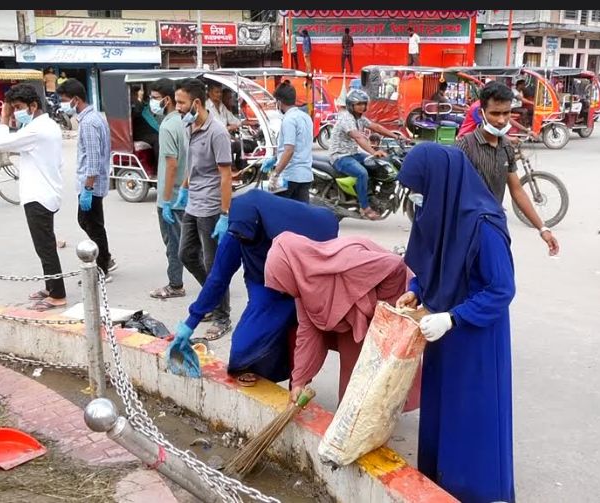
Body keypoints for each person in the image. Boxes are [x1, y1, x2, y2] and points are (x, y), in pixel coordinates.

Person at [395, 142, 516, 503]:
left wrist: (453, 318)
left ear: (440, 184)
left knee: (471, 416)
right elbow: (432, 261)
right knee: (441, 411)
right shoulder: (439, 215)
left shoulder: (484, 224)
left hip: (475, 337)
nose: (418, 200)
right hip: (441, 332)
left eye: (421, 191)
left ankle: (477, 492)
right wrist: (417, 290)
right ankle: (440, 486)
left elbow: (501, 289)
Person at [169, 190, 339, 384]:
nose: (243, 239)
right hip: (264, 285)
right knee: (243, 352)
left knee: (301, 336)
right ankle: (265, 369)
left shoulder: (304, 228)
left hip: (305, 284)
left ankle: (298, 383)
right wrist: (190, 323)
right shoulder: (239, 231)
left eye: (246, 237)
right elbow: (218, 279)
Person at [264, 231, 421, 406]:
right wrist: (299, 382)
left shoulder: (346, 260)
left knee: (381, 374)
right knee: (352, 383)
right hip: (355, 321)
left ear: (291, 269)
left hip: (391, 305)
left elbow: (395, 266)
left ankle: (378, 415)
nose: (283, 291)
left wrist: (380, 313)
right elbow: (307, 335)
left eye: (282, 282)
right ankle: (354, 417)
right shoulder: (305, 288)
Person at [455, 82, 559, 256]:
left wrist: (542, 228)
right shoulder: (465, 146)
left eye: (506, 113)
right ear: (482, 113)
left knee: (501, 280)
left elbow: (517, 190)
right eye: (495, 114)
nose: (501, 120)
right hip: (466, 230)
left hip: (495, 226)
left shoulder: (506, 147)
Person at [0, 84, 66, 311]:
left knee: (45, 247)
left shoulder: (37, 130)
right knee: (45, 244)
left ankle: (57, 294)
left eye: (18, 107)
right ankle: (50, 286)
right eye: (13, 108)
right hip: (45, 192)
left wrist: (4, 118)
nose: (15, 112)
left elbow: (1, 143)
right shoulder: (45, 125)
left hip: (39, 196)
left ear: (33, 106)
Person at [174, 78, 234, 340]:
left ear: (195, 103)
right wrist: (184, 190)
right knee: (186, 254)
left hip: (211, 207)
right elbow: (192, 164)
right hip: (193, 203)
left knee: (214, 265)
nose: (177, 107)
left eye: (180, 103)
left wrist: (224, 214)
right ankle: (210, 299)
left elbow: (225, 176)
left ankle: (222, 317)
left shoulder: (217, 132)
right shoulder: (189, 127)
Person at [56, 78, 117, 280]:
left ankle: (102, 268)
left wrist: (88, 188)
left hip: (91, 184)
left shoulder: (90, 122)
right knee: (88, 222)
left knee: (92, 225)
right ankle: (106, 257)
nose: (63, 105)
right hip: (91, 183)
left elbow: (93, 158)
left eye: (64, 100)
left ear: (75, 99)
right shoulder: (93, 118)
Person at [328, 88, 405, 220]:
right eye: (359, 104)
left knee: (378, 165)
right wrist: (374, 152)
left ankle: (372, 195)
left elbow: (376, 127)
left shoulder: (360, 118)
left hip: (353, 154)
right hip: (340, 156)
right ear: (350, 105)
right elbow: (358, 137)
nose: (362, 107)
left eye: (364, 104)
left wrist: (396, 137)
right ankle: (365, 207)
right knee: (362, 173)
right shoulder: (346, 118)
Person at [148, 78, 188, 300]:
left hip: (171, 196)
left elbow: (171, 163)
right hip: (183, 192)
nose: (151, 102)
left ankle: (175, 285)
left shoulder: (167, 126)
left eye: (154, 98)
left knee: (174, 243)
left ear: (166, 100)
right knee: (188, 242)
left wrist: (164, 200)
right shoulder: (184, 122)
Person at [260, 81, 314, 202]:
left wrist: (275, 174)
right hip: (305, 176)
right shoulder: (305, 117)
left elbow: (289, 150)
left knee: (282, 216)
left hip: (290, 177)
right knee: (301, 216)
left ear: (279, 102)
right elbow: (301, 144)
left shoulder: (289, 120)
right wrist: (275, 157)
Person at [131, 85, 160, 161]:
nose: (142, 93)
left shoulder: (143, 103)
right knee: (157, 139)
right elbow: (136, 113)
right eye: (140, 91)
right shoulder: (133, 103)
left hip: (146, 130)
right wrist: (139, 100)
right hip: (139, 133)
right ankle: (159, 165)